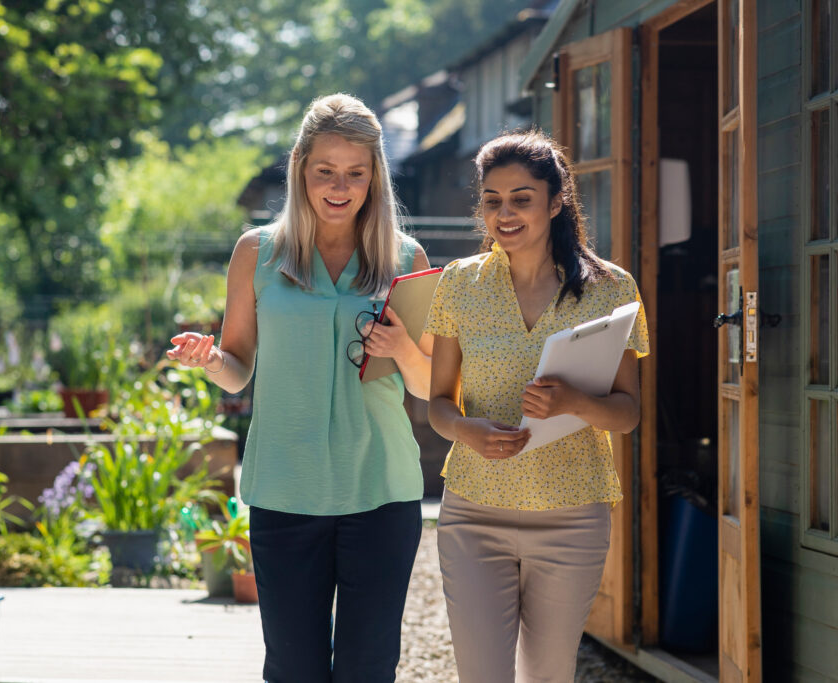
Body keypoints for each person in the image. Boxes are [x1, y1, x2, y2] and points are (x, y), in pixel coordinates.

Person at [166, 93, 432, 682]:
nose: (340, 187)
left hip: (381, 489)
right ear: (300, 169)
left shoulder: (406, 257)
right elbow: (238, 363)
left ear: (374, 176)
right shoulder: (257, 253)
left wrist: (404, 350)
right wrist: (211, 361)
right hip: (286, 489)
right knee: (293, 669)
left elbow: (427, 382)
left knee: (368, 669)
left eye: (355, 174)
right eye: (325, 172)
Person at [424, 130, 649, 682]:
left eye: (521, 198)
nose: (505, 213)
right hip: (474, 512)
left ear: (555, 201)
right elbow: (436, 404)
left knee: (548, 676)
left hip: (572, 516)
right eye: (493, 200)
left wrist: (574, 402)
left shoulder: (612, 289)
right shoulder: (460, 284)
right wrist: (466, 430)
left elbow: (628, 412)